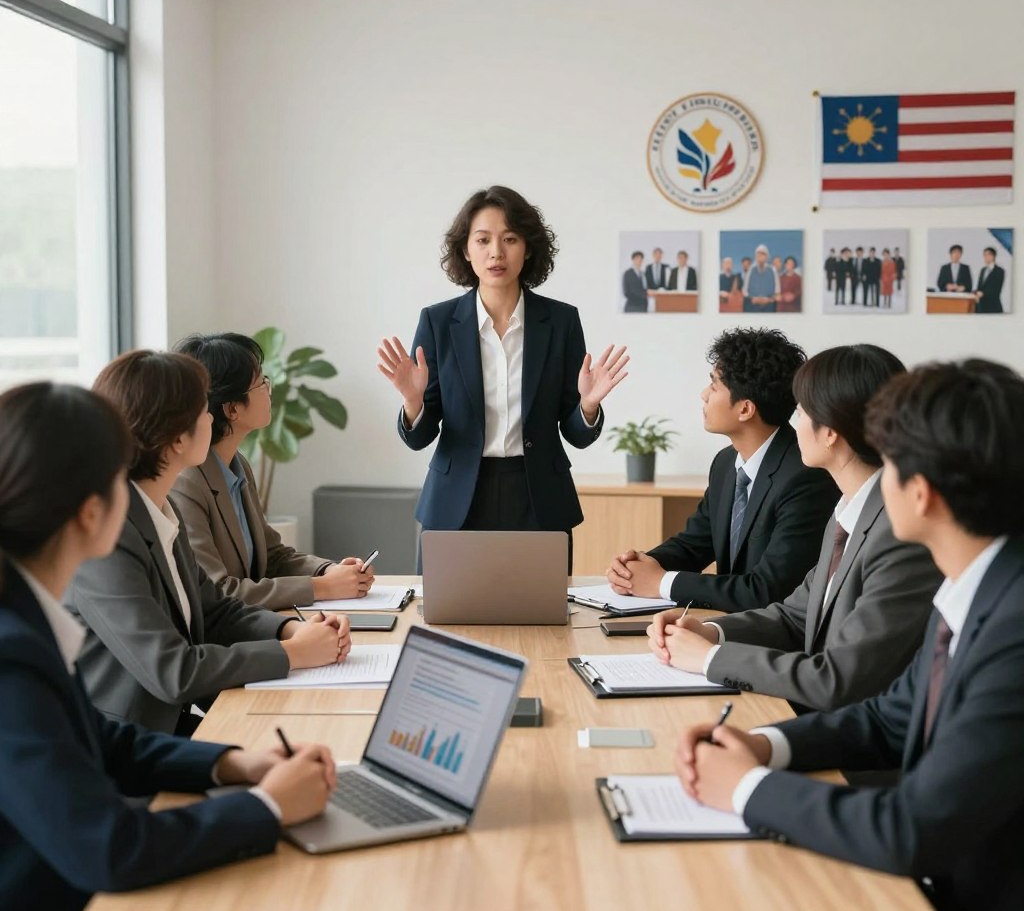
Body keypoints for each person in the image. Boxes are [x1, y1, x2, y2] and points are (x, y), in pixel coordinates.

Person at [673, 359, 1024, 911]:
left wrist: (747, 789)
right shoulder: (971, 586)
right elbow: (891, 717)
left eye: (888, 461)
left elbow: (912, 829)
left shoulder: (1013, 629)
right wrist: (768, 747)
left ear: (921, 493)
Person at [0, 382, 335, 911]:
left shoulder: (25, 619)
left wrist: (236, 764)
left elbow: (104, 740)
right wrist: (268, 806)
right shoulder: (11, 655)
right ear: (90, 512)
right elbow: (110, 847)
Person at [67, 350, 351, 736]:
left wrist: (290, 630)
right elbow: (175, 671)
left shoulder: (160, 509)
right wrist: (293, 653)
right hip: (122, 746)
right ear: (175, 439)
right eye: (204, 411)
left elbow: (216, 611)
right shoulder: (107, 540)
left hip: (171, 727)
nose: (211, 419)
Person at [647, 345, 941, 711]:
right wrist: (711, 632)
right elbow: (795, 615)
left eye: (800, 411)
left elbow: (837, 679)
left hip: (856, 745)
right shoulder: (849, 510)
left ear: (830, 432)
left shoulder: (899, 535)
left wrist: (708, 659)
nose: (793, 423)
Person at [378, 185, 628, 572]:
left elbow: (576, 434)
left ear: (527, 249)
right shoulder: (438, 322)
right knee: (444, 622)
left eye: (510, 239)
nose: (496, 252)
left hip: (538, 497)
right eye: (483, 240)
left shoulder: (560, 322)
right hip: (456, 498)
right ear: (466, 250)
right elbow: (420, 437)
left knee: (541, 624)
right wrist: (413, 404)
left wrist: (589, 406)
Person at [606, 328, 838, 612]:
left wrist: (661, 583)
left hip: (772, 639)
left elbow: (767, 590)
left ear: (745, 409)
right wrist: (638, 567)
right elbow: (695, 544)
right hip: (726, 624)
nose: (703, 395)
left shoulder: (805, 477)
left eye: (714, 385)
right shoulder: (726, 463)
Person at [171, 332, 373, 609]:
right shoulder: (187, 482)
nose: (270, 387)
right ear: (232, 409)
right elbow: (217, 592)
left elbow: (273, 555)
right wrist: (321, 588)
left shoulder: (237, 465)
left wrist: (328, 571)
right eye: (261, 382)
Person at [743, 245, 778, 312]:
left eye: (763, 254)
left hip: (769, 306)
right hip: (753, 305)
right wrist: (754, 299)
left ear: (767, 256)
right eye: (758, 254)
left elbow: (777, 290)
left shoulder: (773, 270)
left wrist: (769, 299)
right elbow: (745, 290)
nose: (760, 256)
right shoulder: (750, 269)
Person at [974, 246, 1005, 313]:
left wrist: (983, 294)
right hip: (981, 307)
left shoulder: (999, 271)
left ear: (993, 256)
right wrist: (975, 292)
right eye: (984, 255)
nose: (985, 257)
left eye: (987, 254)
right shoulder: (983, 270)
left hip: (993, 307)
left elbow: (996, 289)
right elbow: (979, 287)